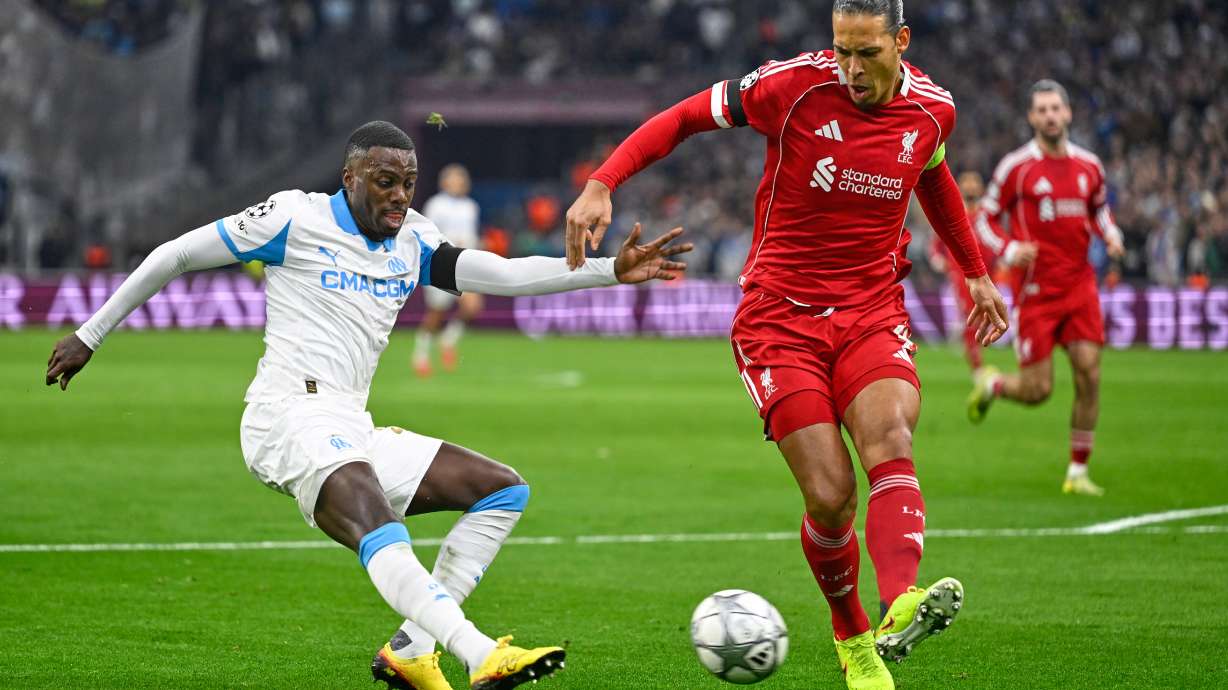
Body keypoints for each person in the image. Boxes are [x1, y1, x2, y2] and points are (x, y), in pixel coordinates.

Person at [45, 121, 690, 690]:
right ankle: (477, 652)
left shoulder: (413, 239)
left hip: (349, 421)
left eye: (408, 183)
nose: (399, 196)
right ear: (350, 176)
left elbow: (502, 274)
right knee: (380, 523)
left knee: (502, 491)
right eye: (385, 182)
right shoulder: (293, 218)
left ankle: (411, 650)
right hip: (286, 416)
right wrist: (90, 334)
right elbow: (178, 254)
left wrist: (606, 270)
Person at [564, 2, 1008, 689]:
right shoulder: (791, 86)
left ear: (902, 42)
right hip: (779, 320)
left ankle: (900, 605)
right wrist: (602, 182)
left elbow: (934, 177)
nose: (852, 70)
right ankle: (851, 634)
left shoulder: (933, 111)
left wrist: (976, 271)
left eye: (867, 54)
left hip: (871, 310)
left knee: (890, 436)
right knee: (831, 497)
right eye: (842, 52)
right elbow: (683, 117)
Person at [968, 79, 1124, 497]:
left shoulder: (1090, 166)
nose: (1050, 116)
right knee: (1038, 390)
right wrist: (1008, 248)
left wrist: (1111, 235)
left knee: (1089, 373)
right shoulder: (1017, 168)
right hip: (1035, 292)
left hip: (1079, 285)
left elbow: (1100, 211)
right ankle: (995, 385)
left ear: (1068, 113)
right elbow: (983, 217)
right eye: (1042, 110)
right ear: (1031, 117)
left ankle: (1077, 472)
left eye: (1056, 108)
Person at [926, 170, 997, 377]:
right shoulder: (954, 214)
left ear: (981, 188)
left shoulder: (986, 215)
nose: (971, 187)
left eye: (974, 182)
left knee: (984, 314)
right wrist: (939, 260)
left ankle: (969, 343)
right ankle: (978, 370)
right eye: (966, 182)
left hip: (988, 273)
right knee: (971, 316)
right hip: (963, 275)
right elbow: (936, 243)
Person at [415, 164, 482, 377]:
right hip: (441, 263)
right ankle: (421, 354)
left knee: (472, 306)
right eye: (453, 179)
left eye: (461, 179)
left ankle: (448, 340)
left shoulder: (471, 206)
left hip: (464, 263)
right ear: (444, 182)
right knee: (436, 314)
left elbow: (471, 235)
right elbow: (426, 234)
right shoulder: (435, 205)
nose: (458, 183)